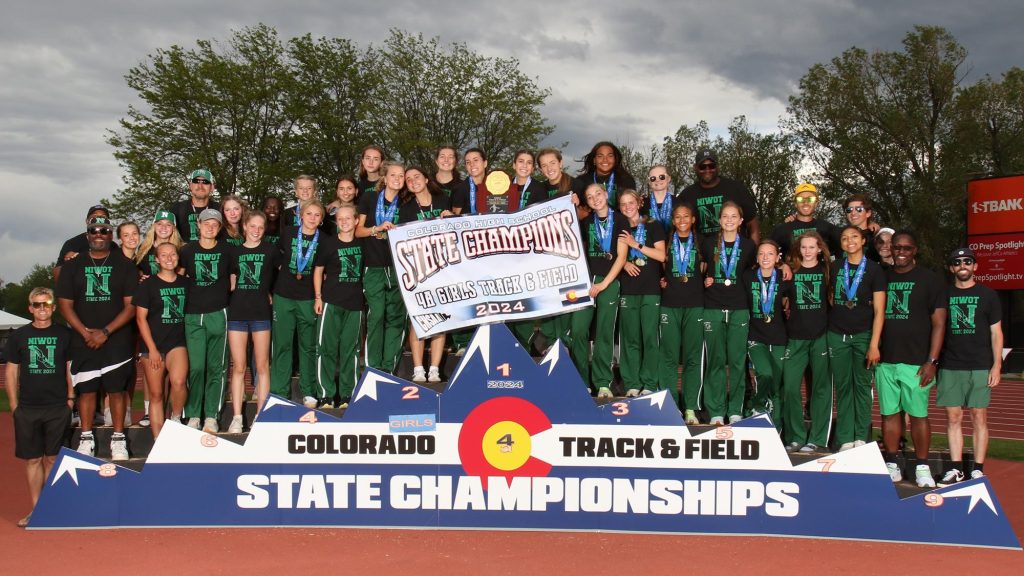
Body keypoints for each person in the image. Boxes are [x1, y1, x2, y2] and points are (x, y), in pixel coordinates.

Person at [56, 216, 137, 460]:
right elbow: (65, 304)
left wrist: (105, 332)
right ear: (88, 234)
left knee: (116, 390)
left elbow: (131, 305)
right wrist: (84, 332)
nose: (99, 234)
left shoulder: (124, 265)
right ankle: (86, 437)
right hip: (83, 337)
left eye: (104, 230)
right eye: (94, 230)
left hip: (116, 337)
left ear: (111, 234)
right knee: (87, 390)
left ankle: (119, 438)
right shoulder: (73, 265)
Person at [876, 230, 946, 487]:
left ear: (915, 250)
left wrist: (932, 361)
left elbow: (939, 324)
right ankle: (892, 462)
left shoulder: (930, 280)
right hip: (886, 360)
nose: (901, 252)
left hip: (917, 362)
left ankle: (922, 466)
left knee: (918, 415)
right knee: (889, 414)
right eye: (897, 248)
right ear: (890, 249)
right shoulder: (882, 277)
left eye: (907, 248)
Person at [4, 288, 74, 528]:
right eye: (37, 304)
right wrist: (14, 405)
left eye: (46, 304)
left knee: (53, 458)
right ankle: (36, 509)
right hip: (28, 408)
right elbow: (12, 371)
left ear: (54, 307)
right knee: (33, 460)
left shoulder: (65, 335)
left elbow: (70, 369)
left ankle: (51, 507)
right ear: (30, 307)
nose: (42, 308)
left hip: (57, 406)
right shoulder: (19, 336)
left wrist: (71, 399)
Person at [936, 248, 1003, 486]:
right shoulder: (943, 294)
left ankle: (977, 468)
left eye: (967, 261)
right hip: (951, 363)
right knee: (953, 417)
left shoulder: (988, 295)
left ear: (975, 266)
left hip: (980, 364)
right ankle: (956, 469)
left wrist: (996, 366)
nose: (962, 265)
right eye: (957, 262)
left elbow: (996, 333)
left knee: (978, 416)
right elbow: (937, 328)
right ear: (952, 268)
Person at [829, 225, 886, 452]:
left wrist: (874, 344)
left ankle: (861, 436)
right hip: (836, 334)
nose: (849, 241)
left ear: (863, 240)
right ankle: (844, 437)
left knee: (862, 387)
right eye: (844, 238)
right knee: (843, 387)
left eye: (854, 237)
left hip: (863, 335)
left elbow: (880, 311)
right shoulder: (834, 267)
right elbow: (830, 296)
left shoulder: (874, 270)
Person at [568, 183, 628, 398]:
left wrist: (604, 284)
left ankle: (603, 382)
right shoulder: (585, 222)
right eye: (590, 196)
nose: (595, 198)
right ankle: (581, 381)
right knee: (578, 330)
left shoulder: (620, 220)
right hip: (586, 281)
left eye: (598, 194)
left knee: (604, 332)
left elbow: (621, 257)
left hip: (608, 281)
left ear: (605, 194)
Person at [701, 201, 756, 425]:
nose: (730, 220)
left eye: (734, 216)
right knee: (715, 361)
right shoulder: (708, 243)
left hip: (739, 308)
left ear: (741, 221)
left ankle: (735, 409)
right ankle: (715, 410)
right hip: (713, 306)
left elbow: (756, 273)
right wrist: (704, 280)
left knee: (736, 362)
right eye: (725, 216)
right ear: (720, 219)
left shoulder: (749, 246)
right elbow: (700, 269)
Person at [179, 208, 232, 433]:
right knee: (196, 367)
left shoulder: (227, 251)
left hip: (218, 312)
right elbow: (178, 277)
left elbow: (234, 279)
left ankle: (212, 415)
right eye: (206, 223)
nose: (210, 227)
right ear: (198, 225)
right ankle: (193, 414)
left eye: (215, 224)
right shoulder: (187, 250)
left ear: (219, 228)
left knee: (216, 367)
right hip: (193, 313)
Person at [398, 166, 452, 382]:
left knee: (441, 316)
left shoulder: (442, 201)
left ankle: (435, 369)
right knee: (418, 318)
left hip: (443, 266)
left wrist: (451, 218)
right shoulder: (407, 207)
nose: (413, 181)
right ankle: (419, 368)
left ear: (426, 179)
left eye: (416, 177)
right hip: (418, 269)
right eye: (408, 179)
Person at [227, 210, 279, 430]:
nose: (256, 230)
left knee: (262, 365)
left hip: (260, 314)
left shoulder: (271, 250)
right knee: (239, 367)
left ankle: (261, 414)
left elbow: (284, 275)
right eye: (253, 226)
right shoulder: (234, 252)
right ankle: (237, 417)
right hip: (238, 313)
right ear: (245, 227)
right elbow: (231, 282)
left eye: (261, 226)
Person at [271, 200, 325, 408]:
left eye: (317, 215)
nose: (312, 218)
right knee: (282, 345)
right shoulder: (288, 233)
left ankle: (309, 391)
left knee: (308, 346)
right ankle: (279, 391)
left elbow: (324, 270)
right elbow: (275, 258)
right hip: (283, 295)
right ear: (301, 215)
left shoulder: (325, 240)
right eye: (309, 214)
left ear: (321, 219)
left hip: (308, 298)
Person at [781, 232, 831, 452]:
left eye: (812, 247)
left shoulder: (828, 272)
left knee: (820, 389)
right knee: (790, 387)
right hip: (796, 337)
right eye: (804, 247)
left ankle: (817, 438)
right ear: (798, 249)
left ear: (819, 249)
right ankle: (796, 436)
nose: (808, 251)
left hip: (821, 336)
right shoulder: (791, 272)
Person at [132, 243, 188, 438]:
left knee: (179, 382)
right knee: (156, 394)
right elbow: (140, 319)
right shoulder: (148, 284)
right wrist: (152, 349)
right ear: (157, 259)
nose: (169, 258)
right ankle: (158, 439)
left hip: (177, 342)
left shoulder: (185, 283)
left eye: (172, 254)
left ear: (177, 257)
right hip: (153, 346)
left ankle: (175, 418)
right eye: (164, 255)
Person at [356, 162, 407, 373]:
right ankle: (372, 367)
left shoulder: (406, 203)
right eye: (393, 175)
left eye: (401, 176)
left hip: (398, 268)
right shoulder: (369, 198)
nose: (397, 178)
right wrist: (376, 228)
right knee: (376, 315)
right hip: (374, 266)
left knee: (396, 317)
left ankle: (389, 368)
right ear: (384, 178)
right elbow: (358, 231)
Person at [313, 203, 366, 407]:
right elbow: (318, 270)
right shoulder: (328, 243)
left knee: (350, 350)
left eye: (348, 218)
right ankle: (326, 394)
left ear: (355, 221)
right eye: (340, 219)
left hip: (354, 304)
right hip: (331, 302)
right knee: (326, 349)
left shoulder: (363, 244)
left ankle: (347, 394)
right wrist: (318, 297)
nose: (344, 222)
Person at [616, 189, 666, 397]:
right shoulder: (618, 226)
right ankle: (631, 383)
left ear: (638, 203)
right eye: (623, 204)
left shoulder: (653, 225)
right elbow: (611, 255)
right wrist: (625, 262)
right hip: (628, 289)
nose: (627, 207)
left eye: (631, 202)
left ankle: (649, 383)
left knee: (649, 338)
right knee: (630, 339)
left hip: (650, 289)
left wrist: (635, 244)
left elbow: (662, 255)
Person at [658, 202, 704, 423]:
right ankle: (671, 407)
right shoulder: (667, 242)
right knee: (669, 357)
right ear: (673, 220)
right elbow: (658, 266)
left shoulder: (703, 242)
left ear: (693, 219)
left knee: (693, 358)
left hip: (695, 305)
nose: (682, 220)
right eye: (677, 217)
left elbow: (711, 267)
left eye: (686, 216)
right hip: (670, 304)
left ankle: (691, 408)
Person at [744, 240, 790, 441]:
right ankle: (756, 405)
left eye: (770, 254)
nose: (765, 257)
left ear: (777, 258)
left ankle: (776, 428)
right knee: (765, 373)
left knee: (777, 385)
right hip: (756, 336)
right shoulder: (747, 277)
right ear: (756, 257)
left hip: (779, 337)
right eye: (761, 254)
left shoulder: (784, 277)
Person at [679, 150, 759, 242]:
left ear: (718, 167)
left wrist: (754, 252)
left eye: (711, 166)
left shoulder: (736, 189)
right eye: (702, 167)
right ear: (695, 168)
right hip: (702, 253)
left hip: (736, 252)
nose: (707, 170)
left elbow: (753, 224)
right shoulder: (686, 195)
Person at [771, 183, 838, 257]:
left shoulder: (826, 227)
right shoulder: (782, 229)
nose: (805, 203)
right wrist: (781, 265)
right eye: (800, 199)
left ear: (816, 203)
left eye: (810, 199)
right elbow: (767, 251)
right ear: (795, 204)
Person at [452, 148, 520, 214]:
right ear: (466, 166)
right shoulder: (460, 189)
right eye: (468, 162)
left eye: (475, 160)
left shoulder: (497, 184)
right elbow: (455, 218)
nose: (472, 164)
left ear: (485, 163)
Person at [575, 141, 637, 213]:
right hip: (592, 223)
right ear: (594, 160)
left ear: (615, 159)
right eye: (600, 156)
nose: (605, 160)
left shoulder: (626, 180)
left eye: (610, 156)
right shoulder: (582, 181)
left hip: (620, 223)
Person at [54, 205, 110, 282]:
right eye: (94, 216)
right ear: (87, 221)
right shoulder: (72, 243)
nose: (98, 219)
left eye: (103, 217)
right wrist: (68, 264)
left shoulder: (113, 246)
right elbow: (57, 277)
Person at [170, 168, 220, 242]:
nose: (200, 186)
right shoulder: (177, 209)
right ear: (190, 185)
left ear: (212, 187)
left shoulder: (220, 209)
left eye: (205, 182)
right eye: (196, 181)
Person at [136, 210, 184, 277]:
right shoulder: (144, 247)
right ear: (154, 226)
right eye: (159, 224)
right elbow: (139, 269)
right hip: (149, 287)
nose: (163, 227)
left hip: (171, 287)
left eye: (168, 224)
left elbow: (182, 274)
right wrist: (141, 277)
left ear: (173, 228)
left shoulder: (181, 249)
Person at [645, 165, 675, 232]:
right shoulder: (642, 204)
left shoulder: (679, 202)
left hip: (674, 241)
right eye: (653, 178)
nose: (657, 180)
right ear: (649, 182)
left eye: (662, 177)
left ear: (669, 178)